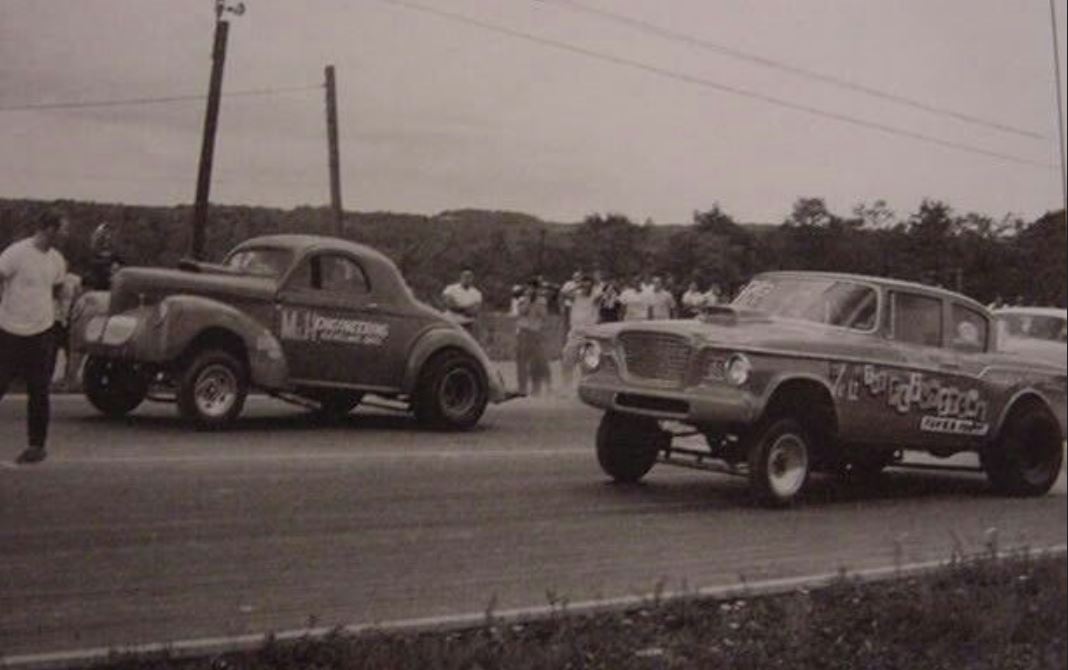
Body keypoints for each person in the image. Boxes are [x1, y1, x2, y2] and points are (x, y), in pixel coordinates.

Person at [0, 211, 69, 465]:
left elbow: (58, 290)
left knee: (40, 391)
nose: (65, 233)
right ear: (49, 228)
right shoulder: (16, 253)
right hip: (9, 331)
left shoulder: (57, 260)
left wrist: (58, 323)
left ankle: (36, 446)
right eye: (62, 228)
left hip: (41, 333)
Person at [561, 274, 602, 386]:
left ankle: (586, 386)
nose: (585, 287)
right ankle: (567, 385)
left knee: (588, 363)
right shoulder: (576, 296)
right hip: (575, 334)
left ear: (592, 286)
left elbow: (601, 292)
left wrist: (594, 283)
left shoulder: (595, 297)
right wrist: (578, 286)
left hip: (590, 335)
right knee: (567, 360)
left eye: (588, 284)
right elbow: (563, 293)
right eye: (583, 284)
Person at [515, 279, 550, 396]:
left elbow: (544, 316)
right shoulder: (522, 299)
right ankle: (522, 387)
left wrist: (537, 303)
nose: (530, 290)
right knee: (522, 361)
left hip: (535, 332)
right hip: (523, 331)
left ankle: (536, 387)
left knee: (536, 361)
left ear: (537, 289)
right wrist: (528, 301)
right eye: (528, 288)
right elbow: (521, 312)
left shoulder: (542, 300)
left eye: (533, 288)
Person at [442, 269, 483, 335]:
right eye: (465, 276)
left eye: (469, 277)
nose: (467, 279)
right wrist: (467, 308)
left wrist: (458, 306)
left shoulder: (477, 293)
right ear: (461, 277)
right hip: (450, 322)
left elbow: (474, 311)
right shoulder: (451, 289)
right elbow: (450, 305)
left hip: (467, 325)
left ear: (472, 279)